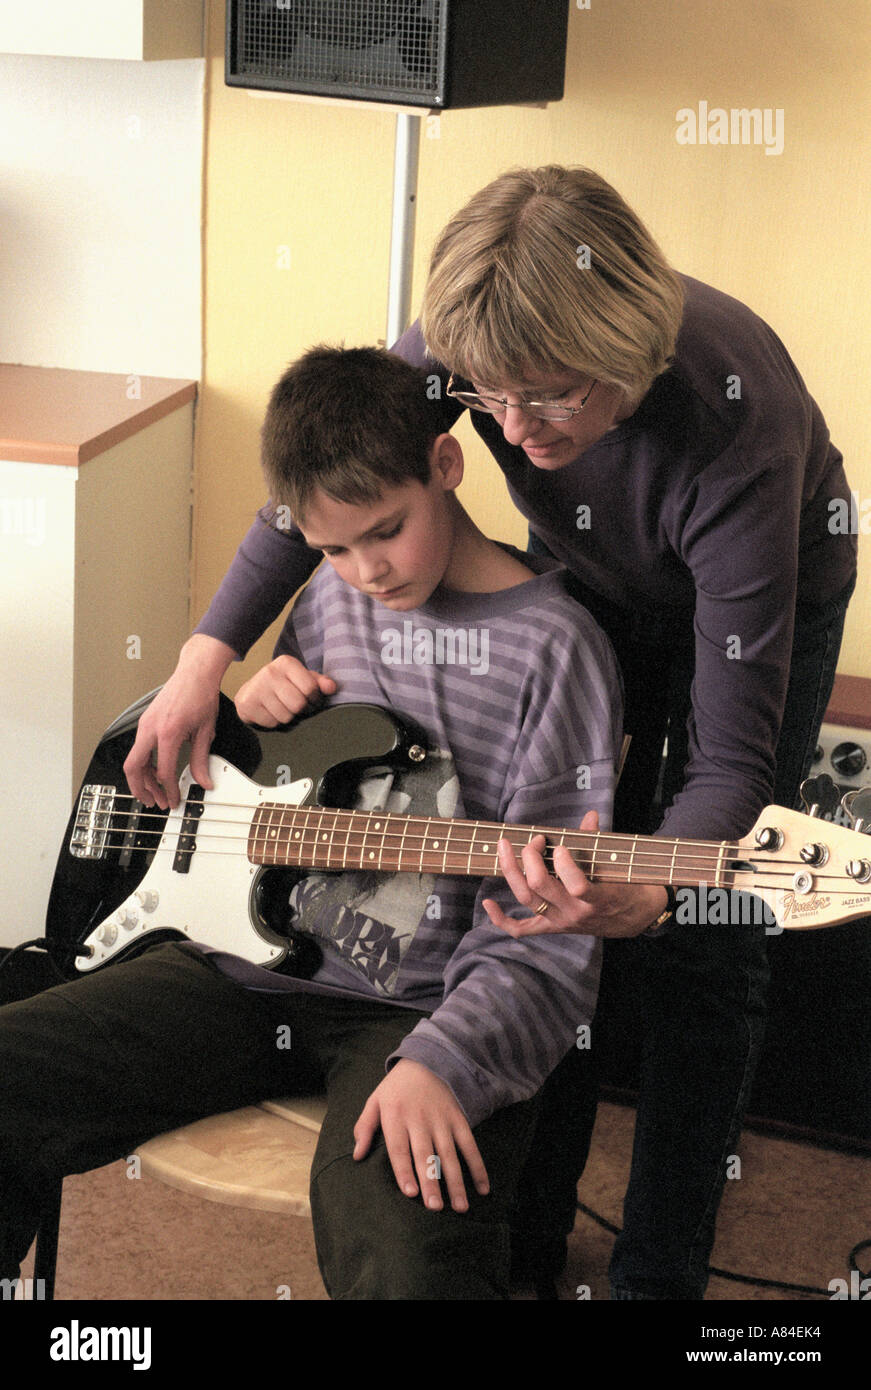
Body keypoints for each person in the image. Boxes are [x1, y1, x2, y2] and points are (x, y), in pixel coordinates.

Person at [126, 167, 857, 1300]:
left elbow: (729, 765)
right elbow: (316, 485)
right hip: (590, 567)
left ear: (627, 358)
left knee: (704, 937)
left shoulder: (733, 440)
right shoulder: (474, 333)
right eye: (486, 398)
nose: (511, 430)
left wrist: (658, 894)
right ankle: (525, 1231)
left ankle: (655, 1276)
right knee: (551, 890)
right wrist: (203, 655)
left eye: (550, 399)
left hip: (758, 589)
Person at [0, 345, 623, 1300]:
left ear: (446, 467)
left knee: (409, 1250)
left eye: (385, 531)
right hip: (244, 966)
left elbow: (550, 930)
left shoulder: (556, 647)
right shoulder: (329, 598)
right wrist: (252, 715)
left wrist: (446, 1061)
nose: (365, 571)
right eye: (331, 548)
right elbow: (270, 787)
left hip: (418, 1010)